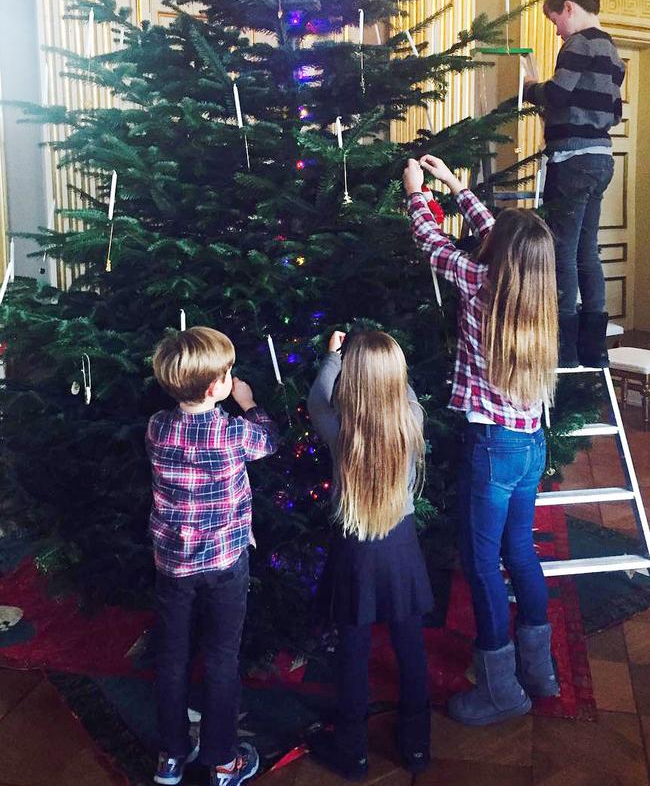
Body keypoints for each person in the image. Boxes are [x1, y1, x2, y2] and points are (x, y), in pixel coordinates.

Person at [403, 155, 560, 726]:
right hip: (529, 444)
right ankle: (539, 672)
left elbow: (429, 241)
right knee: (519, 552)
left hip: (492, 446)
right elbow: (496, 234)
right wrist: (455, 186)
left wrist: (418, 193)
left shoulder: (480, 280)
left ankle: (500, 690)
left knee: (481, 561)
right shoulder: (535, 287)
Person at [147, 326, 278, 786]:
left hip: (172, 564)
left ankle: (171, 756)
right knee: (222, 657)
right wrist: (249, 402)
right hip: (224, 563)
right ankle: (223, 761)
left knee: (172, 657)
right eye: (228, 374)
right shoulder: (232, 430)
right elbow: (269, 442)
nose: (231, 378)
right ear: (215, 387)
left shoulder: (158, 426)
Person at [307, 329, 433, 778]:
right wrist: (390, 368)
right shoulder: (412, 419)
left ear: (352, 383)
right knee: (410, 647)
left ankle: (353, 752)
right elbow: (404, 392)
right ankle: (417, 746)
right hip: (401, 549)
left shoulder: (338, 428)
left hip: (355, 551)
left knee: (353, 652)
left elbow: (318, 399)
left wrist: (333, 357)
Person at [523, 0, 625, 367]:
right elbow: (613, 111)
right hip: (602, 159)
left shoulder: (578, 44)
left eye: (555, 22)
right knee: (587, 249)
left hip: (572, 159)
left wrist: (532, 88)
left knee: (562, 249)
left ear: (569, 8)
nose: (557, 33)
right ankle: (593, 348)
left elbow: (560, 93)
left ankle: (564, 346)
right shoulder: (612, 51)